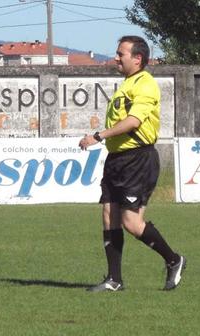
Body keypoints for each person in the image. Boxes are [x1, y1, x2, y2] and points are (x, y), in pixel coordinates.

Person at [79, 36, 186, 292]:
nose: (116, 58)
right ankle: (114, 280)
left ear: (137, 58)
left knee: (132, 223)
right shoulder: (127, 84)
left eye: (121, 54)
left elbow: (134, 122)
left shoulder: (146, 84)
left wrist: (98, 136)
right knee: (108, 216)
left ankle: (174, 260)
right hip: (117, 159)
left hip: (137, 159)